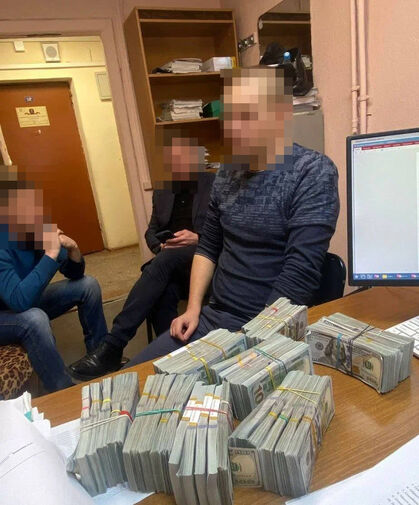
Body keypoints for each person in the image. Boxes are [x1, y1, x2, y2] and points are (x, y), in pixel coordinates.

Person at [121, 65, 340, 367]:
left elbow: (299, 275)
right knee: (133, 374)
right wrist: (193, 308)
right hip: (214, 319)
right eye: (230, 116)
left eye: (246, 116)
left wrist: (256, 340)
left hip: (269, 328)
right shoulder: (228, 170)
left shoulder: (313, 172)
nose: (234, 128)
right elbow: (208, 246)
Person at [69, 137, 215, 380]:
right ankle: (176, 356)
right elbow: (151, 231)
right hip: (172, 264)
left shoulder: (213, 185)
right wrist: (160, 244)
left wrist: (197, 238)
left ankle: (113, 345)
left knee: (163, 263)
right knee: (163, 290)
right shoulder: (163, 190)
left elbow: (223, 230)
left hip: (202, 256)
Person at [0, 178, 108, 392]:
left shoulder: (34, 231)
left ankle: (100, 358)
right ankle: (63, 390)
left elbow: (75, 273)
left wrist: (73, 249)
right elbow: (19, 302)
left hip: (25, 300)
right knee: (35, 318)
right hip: (5, 313)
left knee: (88, 286)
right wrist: (50, 253)